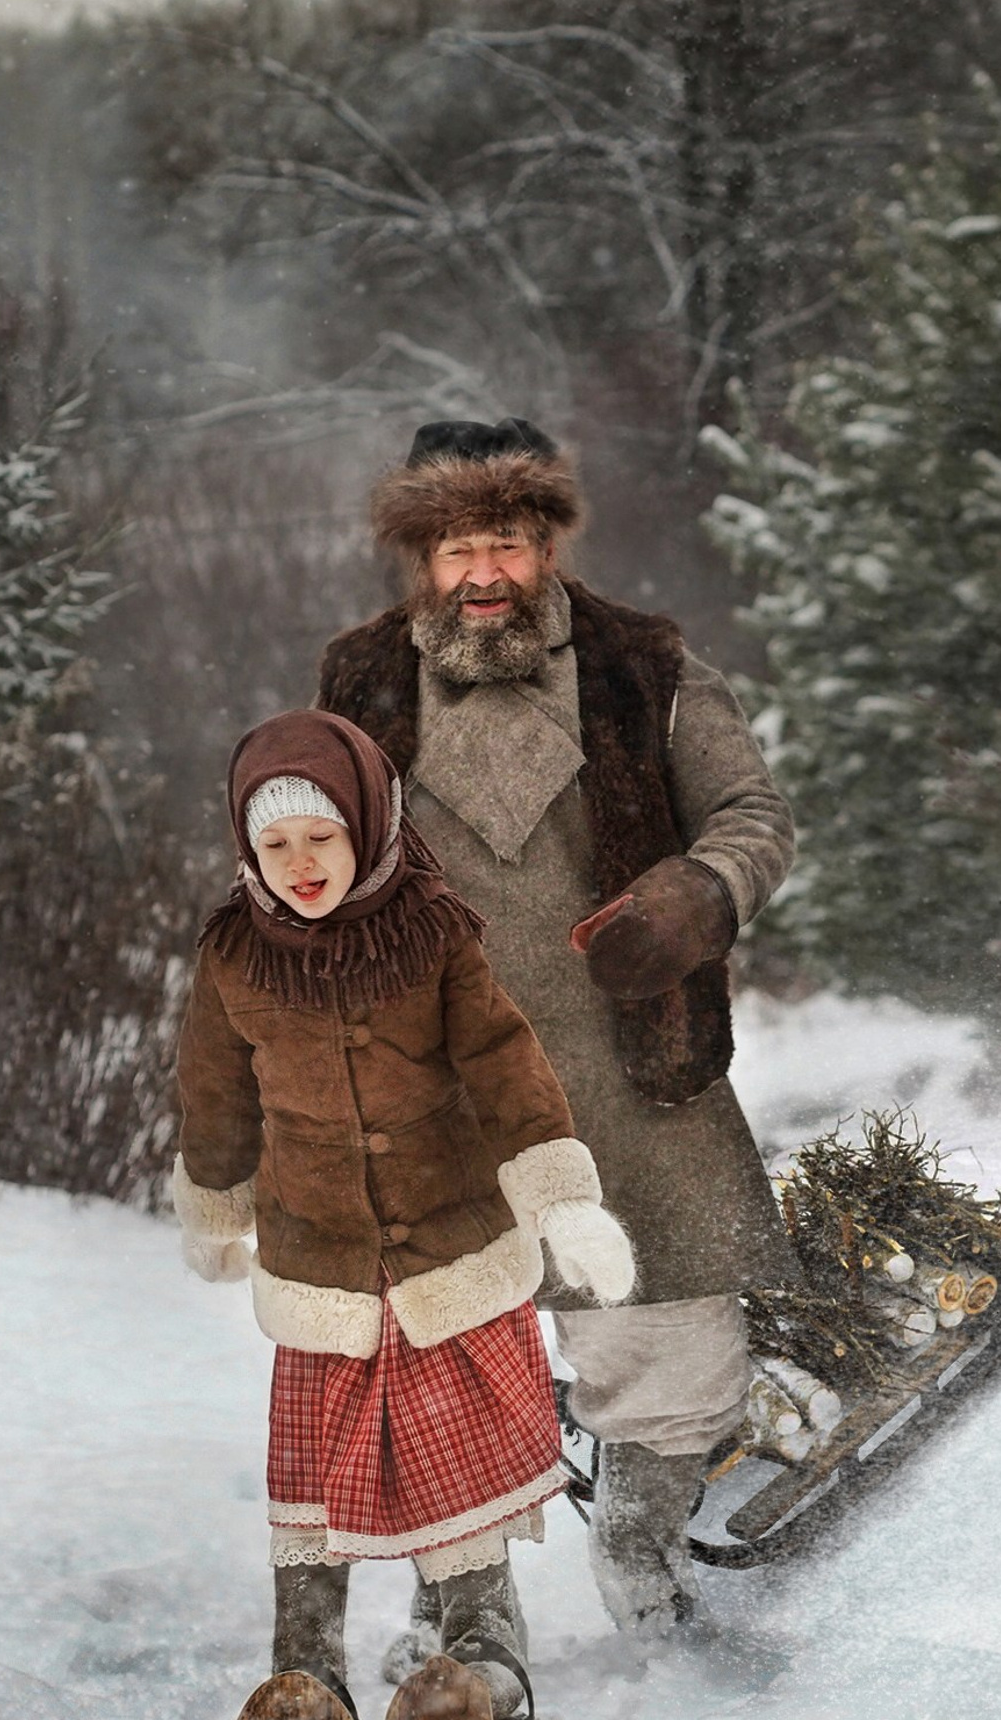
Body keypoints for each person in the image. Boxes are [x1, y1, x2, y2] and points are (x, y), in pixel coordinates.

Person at [315, 417, 800, 1657]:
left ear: (548, 545)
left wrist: (701, 894)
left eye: (511, 547)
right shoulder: (358, 681)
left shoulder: (650, 665)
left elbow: (750, 812)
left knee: (673, 1349)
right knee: (438, 1358)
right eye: (458, 548)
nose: (485, 576)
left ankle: (643, 1560)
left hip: (635, 1064)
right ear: (420, 559)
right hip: (439, 1080)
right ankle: (464, 1631)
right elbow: (308, 852)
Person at [172, 707, 635, 1719]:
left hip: (450, 1255)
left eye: (321, 836)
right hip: (321, 1270)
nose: (301, 862)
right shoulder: (234, 959)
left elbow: (506, 1064)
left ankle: (481, 1666)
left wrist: (561, 1199)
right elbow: (214, 1092)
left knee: (454, 1472)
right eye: (276, 842)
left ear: (367, 825)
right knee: (317, 1483)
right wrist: (214, 1204)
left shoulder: (433, 935)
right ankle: (305, 1672)